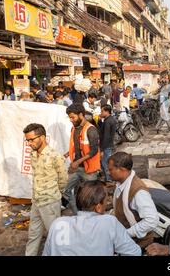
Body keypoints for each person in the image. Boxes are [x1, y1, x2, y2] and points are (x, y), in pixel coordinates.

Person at [43, 181, 142, 256]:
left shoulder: (58, 224)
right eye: (106, 200)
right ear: (98, 207)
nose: (107, 204)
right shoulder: (109, 222)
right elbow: (135, 252)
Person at [23, 123, 68, 256]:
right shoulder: (33, 154)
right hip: (36, 201)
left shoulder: (55, 156)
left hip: (50, 202)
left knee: (56, 237)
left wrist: (55, 196)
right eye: (27, 140)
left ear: (42, 137)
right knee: (33, 235)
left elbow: (63, 180)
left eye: (32, 139)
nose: (29, 143)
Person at [108, 152, 159, 249]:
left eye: (111, 170)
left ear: (122, 170)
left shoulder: (138, 192)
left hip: (140, 243)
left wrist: (126, 233)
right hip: (127, 239)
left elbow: (152, 220)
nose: (108, 172)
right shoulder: (121, 183)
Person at [63, 104, 101, 214]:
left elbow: (94, 151)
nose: (71, 120)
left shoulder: (91, 130)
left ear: (81, 115)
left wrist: (78, 161)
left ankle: (94, 217)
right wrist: (66, 154)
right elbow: (77, 146)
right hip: (77, 168)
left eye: (73, 117)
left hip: (89, 170)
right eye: (69, 117)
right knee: (66, 190)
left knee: (91, 195)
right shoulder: (74, 129)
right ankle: (77, 214)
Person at [99, 105, 116, 182]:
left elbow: (106, 136)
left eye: (102, 111)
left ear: (106, 111)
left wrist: (102, 149)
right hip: (108, 145)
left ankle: (109, 179)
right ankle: (108, 178)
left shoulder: (108, 122)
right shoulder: (108, 120)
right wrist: (99, 121)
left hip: (106, 146)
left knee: (105, 164)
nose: (101, 113)